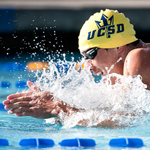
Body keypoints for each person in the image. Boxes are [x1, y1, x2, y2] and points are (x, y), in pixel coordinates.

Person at [3, 9, 150, 125]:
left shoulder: (137, 57)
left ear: (118, 46)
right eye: (84, 57)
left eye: (90, 54)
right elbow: (114, 115)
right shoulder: (114, 75)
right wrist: (54, 100)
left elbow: (130, 122)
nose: (87, 66)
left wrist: (59, 108)